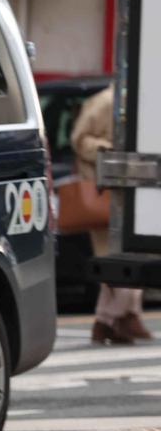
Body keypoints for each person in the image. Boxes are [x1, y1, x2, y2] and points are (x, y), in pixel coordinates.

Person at [71, 85, 153, 344]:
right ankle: (122, 317)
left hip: (125, 190)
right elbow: (79, 138)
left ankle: (108, 320)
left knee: (124, 258)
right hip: (107, 191)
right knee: (116, 259)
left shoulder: (135, 102)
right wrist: (112, 151)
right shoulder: (106, 102)